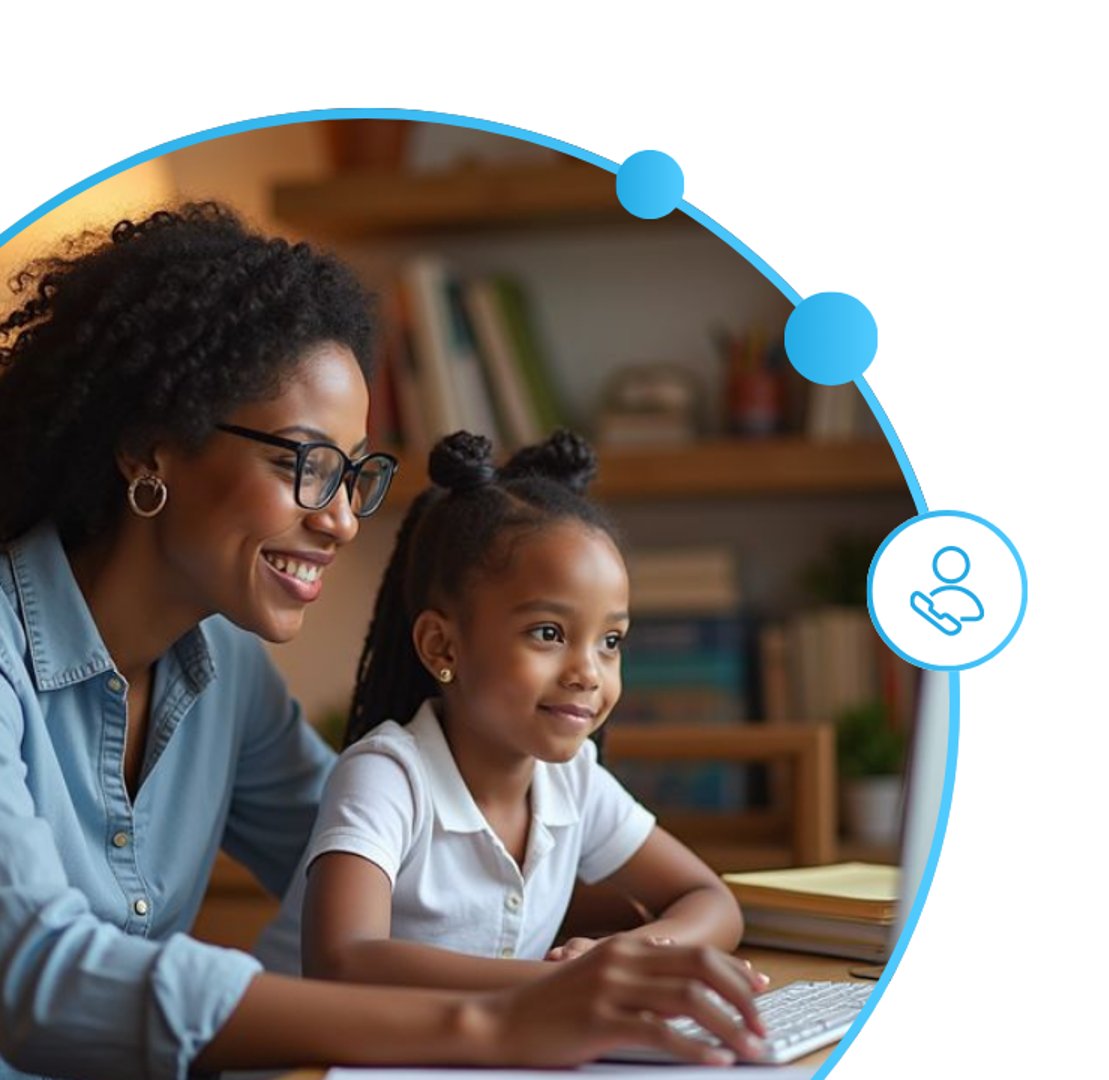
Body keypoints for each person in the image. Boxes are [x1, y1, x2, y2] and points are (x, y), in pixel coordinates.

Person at [0, 202, 765, 1080]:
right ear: (149, 450)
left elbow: (409, 875)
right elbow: (35, 976)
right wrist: (504, 1022)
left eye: (353, 476)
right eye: (305, 463)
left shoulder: (226, 671)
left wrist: (626, 953)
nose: (340, 521)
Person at [254, 428, 761, 990]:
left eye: (610, 642)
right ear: (443, 647)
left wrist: (631, 958)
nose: (587, 672)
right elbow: (343, 959)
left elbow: (711, 901)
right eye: (548, 633)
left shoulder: (573, 780)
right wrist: (560, 987)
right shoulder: (388, 776)